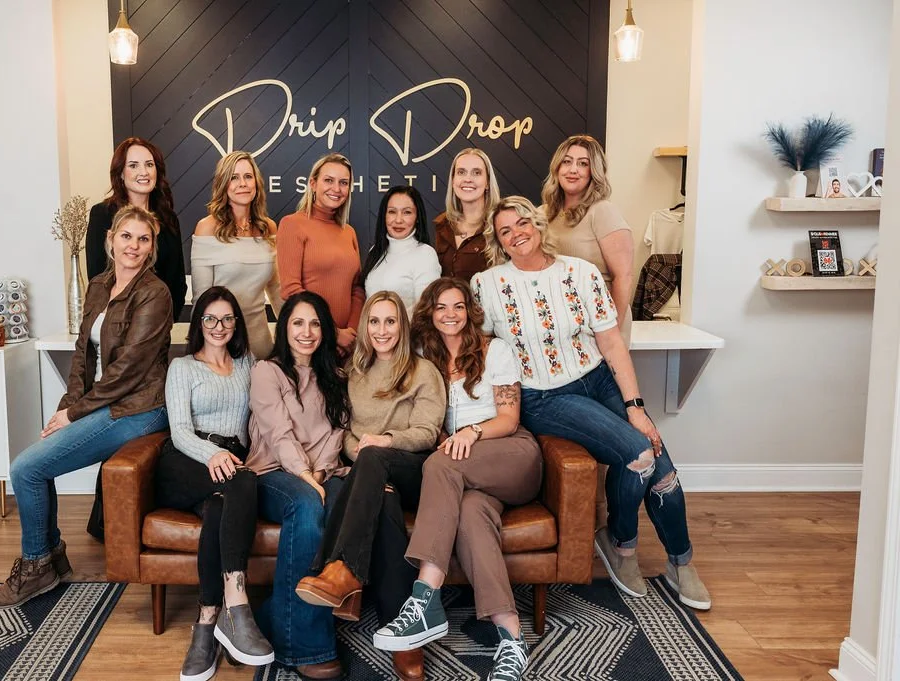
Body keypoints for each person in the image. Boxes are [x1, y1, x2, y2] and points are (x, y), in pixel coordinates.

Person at [472, 196, 711, 615]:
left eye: (521, 223)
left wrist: (635, 405)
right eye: (504, 230)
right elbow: (482, 350)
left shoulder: (579, 272)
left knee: (663, 471)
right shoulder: (486, 284)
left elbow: (611, 341)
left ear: (537, 224)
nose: (516, 234)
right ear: (498, 241)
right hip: (545, 396)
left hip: (599, 380)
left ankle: (680, 562)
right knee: (638, 453)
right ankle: (622, 545)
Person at [0, 205, 171, 609]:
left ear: (152, 247)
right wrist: (64, 408)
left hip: (137, 408)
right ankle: (51, 560)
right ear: (111, 240)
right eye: (127, 236)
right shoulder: (99, 285)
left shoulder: (155, 293)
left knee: (25, 468)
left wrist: (74, 414)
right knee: (36, 463)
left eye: (143, 239)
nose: (133, 246)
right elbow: (82, 357)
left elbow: (128, 372)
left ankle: (38, 566)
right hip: (101, 403)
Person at [370, 278, 542, 679]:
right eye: (442, 307)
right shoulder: (421, 357)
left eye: (458, 306)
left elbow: (509, 418)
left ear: (469, 311)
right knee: (470, 516)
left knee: (439, 464)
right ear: (430, 312)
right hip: (467, 476)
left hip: (511, 455)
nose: (450, 314)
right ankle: (512, 638)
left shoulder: (493, 349)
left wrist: (471, 432)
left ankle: (425, 596)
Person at [296, 291, 446, 681]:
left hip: (414, 468)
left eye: (390, 321)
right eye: (375, 321)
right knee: (383, 498)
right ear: (365, 328)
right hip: (373, 474)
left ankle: (342, 568)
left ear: (402, 325)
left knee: (375, 461)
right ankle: (406, 637)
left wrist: (384, 442)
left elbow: (428, 433)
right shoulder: (355, 373)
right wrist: (361, 450)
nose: (382, 330)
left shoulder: (422, 371)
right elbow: (345, 432)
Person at [153, 286, 274, 681]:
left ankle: (207, 623)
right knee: (240, 481)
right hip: (187, 460)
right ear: (198, 323)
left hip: (231, 466)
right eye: (210, 318)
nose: (218, 326)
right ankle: (237, 605)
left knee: (227, 502)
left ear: (236, 323)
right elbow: (180, 431)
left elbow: (261, 417)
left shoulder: (248, 364)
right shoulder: (183, 367)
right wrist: (212, 454)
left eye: (226, 318)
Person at [246, 291, 352, 680]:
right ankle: (304, 648)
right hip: (272, 473)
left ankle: (271, 615)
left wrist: (320, 475)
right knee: (309, 506)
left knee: (354, 501)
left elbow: (336, 437)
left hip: (321, 475)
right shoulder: (266, 372)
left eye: (314, 324)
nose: (306, 332)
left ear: (324, 331)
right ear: (284, 328)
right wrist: (308, 479)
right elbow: (278, 435)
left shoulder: (337, 378)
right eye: (297, 323)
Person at [541, 134, 633, 346]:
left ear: (594, 172)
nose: (573, 170)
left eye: (583, 164)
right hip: (561, 323)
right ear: (557, 167)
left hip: (600, 322)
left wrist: (612, 331)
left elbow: (623, 277)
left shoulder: (602, 212)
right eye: (567, 161)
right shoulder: (542, 214)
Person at [192, 151, 281, 358]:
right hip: (222, 344)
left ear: (256, 183)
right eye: (234, 177)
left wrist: (290, 330)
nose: (242, 183)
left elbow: (276, 290)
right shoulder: (206, 228)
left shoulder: (268, 227)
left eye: (248, 177)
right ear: (224, 184)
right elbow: (201, 299)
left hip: (261, 345)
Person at [86, 137, 187, 318]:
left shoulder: (168, 219)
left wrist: (164, 322)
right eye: (133, 165)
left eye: (149, 164)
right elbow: (97, 276)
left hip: (159, 325)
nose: (144, 172)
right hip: (114, 323)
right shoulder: (102, 214)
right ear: (121, 173)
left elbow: (177, 282)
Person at [277, 153, 365, 355]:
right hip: (309, 343)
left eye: (343, 183)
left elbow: (357, 289)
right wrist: (332, 333)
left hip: (347, 347)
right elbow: (291, 290)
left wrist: (350, 334)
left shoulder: (348, 232)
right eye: (328, 180)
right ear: (313, 183)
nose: (336, 189)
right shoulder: (292, 224)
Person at [361, 186, 441, 316]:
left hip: (408, 335)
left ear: (417, 217)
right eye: (392, 212)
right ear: (384, 216)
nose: (398, 220)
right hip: (374, 334)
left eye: (407, 212)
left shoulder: (425, 254)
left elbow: (425, 312)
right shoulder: (375, 251)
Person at [434, 148, 501, 282]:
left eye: (476, 173)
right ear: (453, 181)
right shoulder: (442, 224)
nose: (468, 179)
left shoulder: (500, 224)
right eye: (461, 172)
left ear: (487, 182)